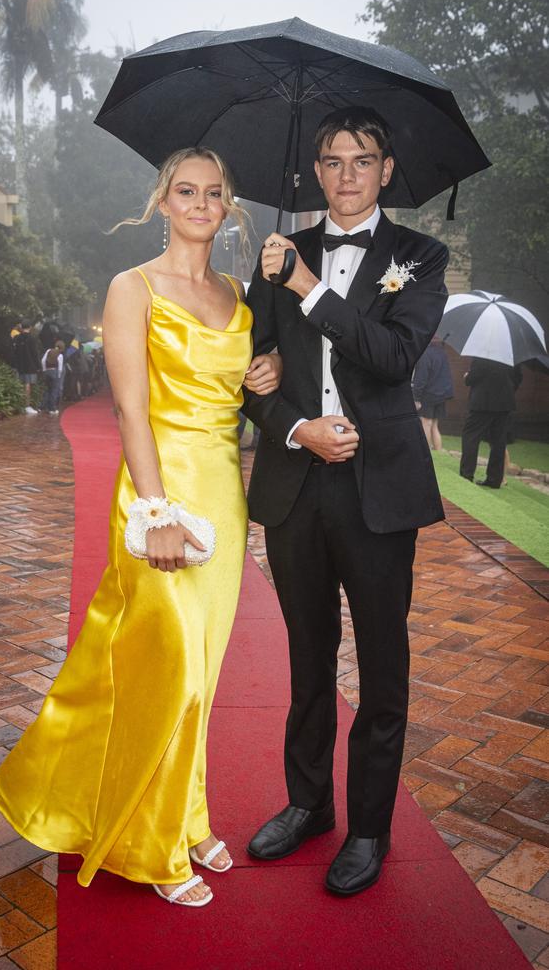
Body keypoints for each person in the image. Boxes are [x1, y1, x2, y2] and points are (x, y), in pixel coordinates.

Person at [0, 146, 282, 908]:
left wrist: (265, 374)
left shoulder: (239, 294)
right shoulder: (132, 287)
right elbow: (130, 409)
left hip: (223, 491)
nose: (199, 203)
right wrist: (153, 512)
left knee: (202, 677)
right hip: (159, 492)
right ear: (160, 201)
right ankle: (148, 843)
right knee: (169, 667)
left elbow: (246, 397)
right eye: (185, 190)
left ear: (228, 208)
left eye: (214, 193)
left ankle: (188, 815)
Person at [242, 106, 449, 896]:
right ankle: (308, 804)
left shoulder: (418, 257)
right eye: (333, 160)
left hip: (380, 492)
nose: (348, 173)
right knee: (306, 658)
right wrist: (295, 425)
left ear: (386, 168)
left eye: (363, 158)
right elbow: (251, 376)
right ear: (317, 172)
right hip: (297, 484)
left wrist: (307, 288)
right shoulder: (277, 254)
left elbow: (394, 356)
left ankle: (368, 827)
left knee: (384, 666)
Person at [459, 358, 522, 488]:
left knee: (470, 436)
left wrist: (467, 377)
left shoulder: (484, 351)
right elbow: (518, 378)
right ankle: (494, 480)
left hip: (482, 402)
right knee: (499, 440)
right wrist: (508, 389)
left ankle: (467, 474)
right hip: (505, 402)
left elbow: (473, 377)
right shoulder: (511, 354)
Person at [412, 337, 454, 449]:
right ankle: (438, 451)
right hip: (441, 394)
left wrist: (416, 398)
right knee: (434, 425)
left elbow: (421, 378)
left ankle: (425, 449)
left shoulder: (425, 354)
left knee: (426, 422)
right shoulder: (442, 353)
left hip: (429, 394)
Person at [13, 320, 40, 415]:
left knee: (21, 384)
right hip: (30, 365)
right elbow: (35, 353)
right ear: (30, 327)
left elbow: (15, 351)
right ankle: (27, 406)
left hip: (19, 364)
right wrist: (38, 365)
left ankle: (21, 405)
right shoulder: (32, 339)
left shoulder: (17, 338)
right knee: (28, 385)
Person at [40, 339, 65, 415]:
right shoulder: (60, 355)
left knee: (47, 390)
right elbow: (60, 368)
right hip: (55, 372)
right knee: (54, 391)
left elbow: (43, 360)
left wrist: (44, 370)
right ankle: (52, 409)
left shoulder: (48, 350)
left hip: (47, 371)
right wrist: (59, 376)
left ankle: (42, 407)